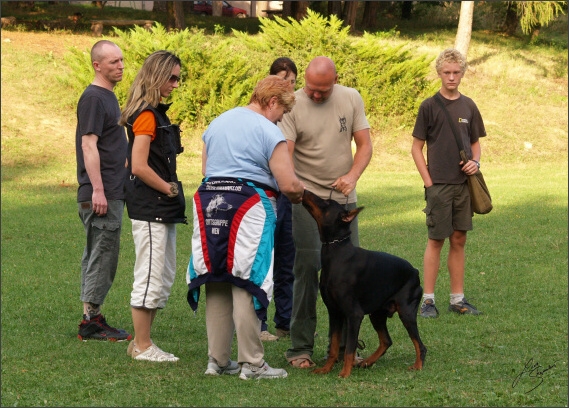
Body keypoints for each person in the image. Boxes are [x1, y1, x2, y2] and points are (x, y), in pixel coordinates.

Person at [187, 76, 305, 380]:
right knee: (247, 278)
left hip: (210, 199)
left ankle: (217, 360)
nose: (281, 119)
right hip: (250, 205)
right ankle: (252, 363)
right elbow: (288, 183)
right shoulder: (268, 130)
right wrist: (302, 193)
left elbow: (205, 169)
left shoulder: (218, 122)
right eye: (283, 112)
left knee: (215, 276)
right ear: (273, 102)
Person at [278, 56, 373, 368]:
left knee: (350, 274)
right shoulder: (293, 105)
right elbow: (286, 155)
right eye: (311, 89)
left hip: (343, 199)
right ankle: (300, 348)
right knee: (307, 268)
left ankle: (348, 347)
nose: (316, 95)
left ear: (335, 81)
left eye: (323, 90)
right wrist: (298, 191)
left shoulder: (351, 98)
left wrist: (353, 176)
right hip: (309, 201)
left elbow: (365, 145)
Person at [119, 50, 186, 361]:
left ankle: (141, 342)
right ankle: (143, 346)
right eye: (171, 78)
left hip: (161, 208)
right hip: (151, 207)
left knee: (163, 274)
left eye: (177, 78)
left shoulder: (157, 114)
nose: (175, 84)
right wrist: (169, 189)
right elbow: (138, 165)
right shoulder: (146, 115)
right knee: (149, 275)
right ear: (156, 77)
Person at [411, 48, 486, 318]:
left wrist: (475, 163)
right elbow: (416, 148)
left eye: (456, 72)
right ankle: (428, 300)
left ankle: (457, 299)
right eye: (447, 72)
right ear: (439, 73)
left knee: (459, 239)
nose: (452, 77)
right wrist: (429, 182)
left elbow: (476, 143)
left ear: (463, 73)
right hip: (439, 186)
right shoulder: (429, 106)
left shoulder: (469, 106)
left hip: (464, 185)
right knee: (436, 240)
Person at [76, 40, 131, 342]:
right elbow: (88, 144)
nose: (120, 65)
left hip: (110, 189)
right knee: (103, 255)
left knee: (98, 253)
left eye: (121, 60)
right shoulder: (94, 98)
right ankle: (91, 321)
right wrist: (98, 189)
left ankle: (91, 315)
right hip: (102, 192)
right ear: (97, 65)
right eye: (113, 62)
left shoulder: (108, 96)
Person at [256, 57, 298, 342]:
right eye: (283, 80)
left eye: (293, 82)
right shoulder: (259, 117)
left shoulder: (294, 109)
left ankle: (285, 321)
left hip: (286, 193)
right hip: (264, 193)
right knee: (263, 258)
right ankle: (258, 325)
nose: (289, 86)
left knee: (286, 259)